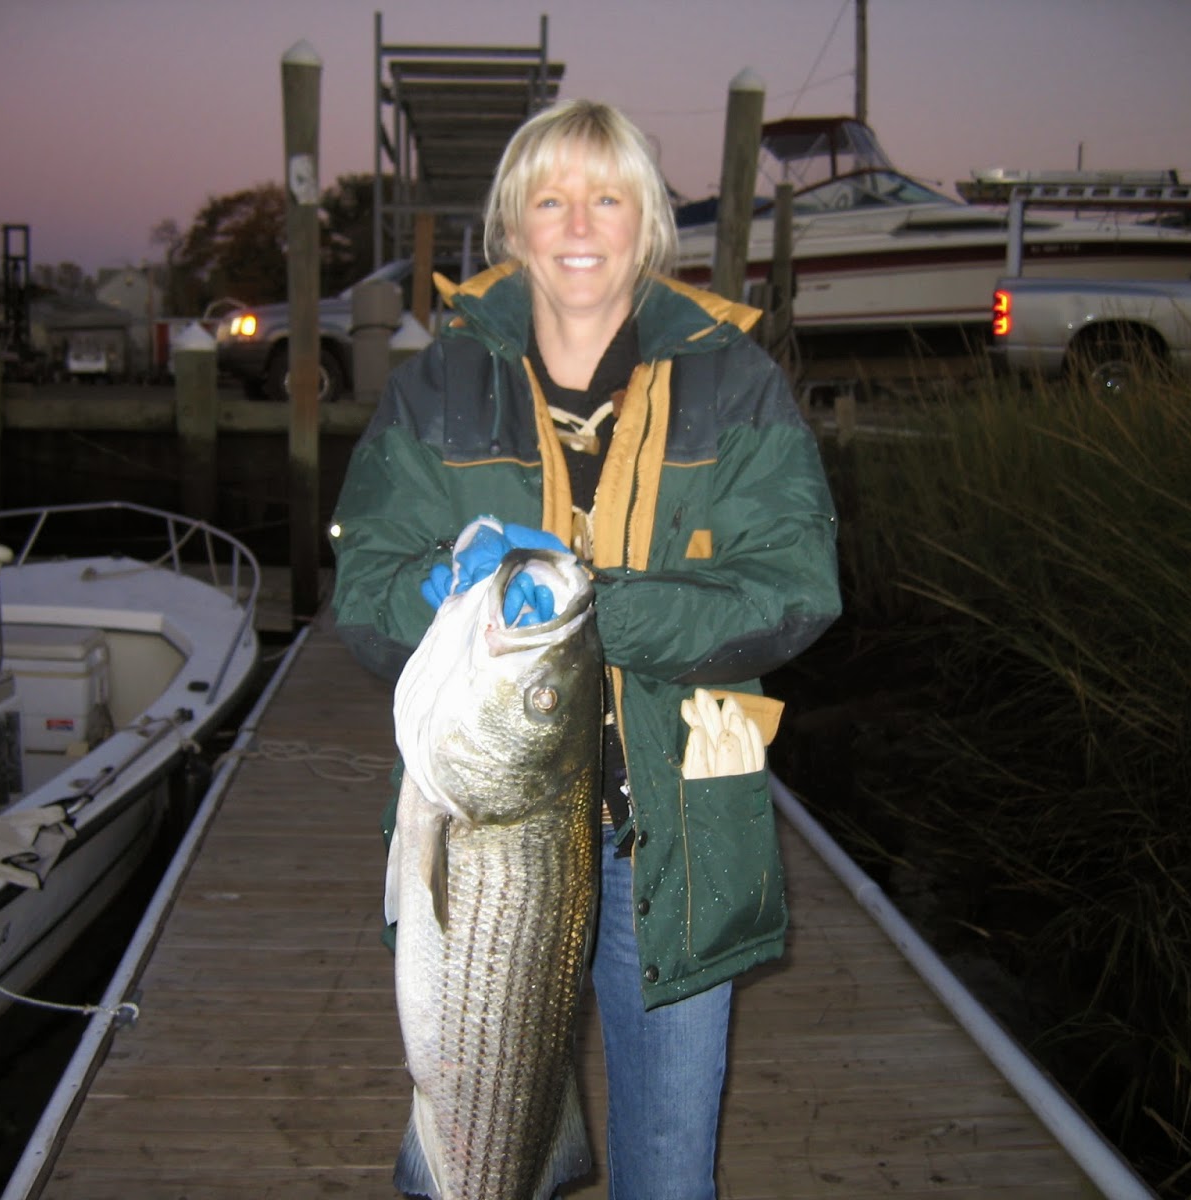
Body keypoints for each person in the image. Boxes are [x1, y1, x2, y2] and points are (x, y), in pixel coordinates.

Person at [328, 98, 841, 1198]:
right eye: (551, 197)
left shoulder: (737, 382)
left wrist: (585, 613)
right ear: (512, 222)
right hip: (492, 831)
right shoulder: (437, 385)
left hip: (690, 820)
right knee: (460, 1145)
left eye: (607, 197)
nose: (578, 223)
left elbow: (797, 588)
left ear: (648, 223)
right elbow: (364, 593)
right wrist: (440, 594)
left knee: (669, 1171)